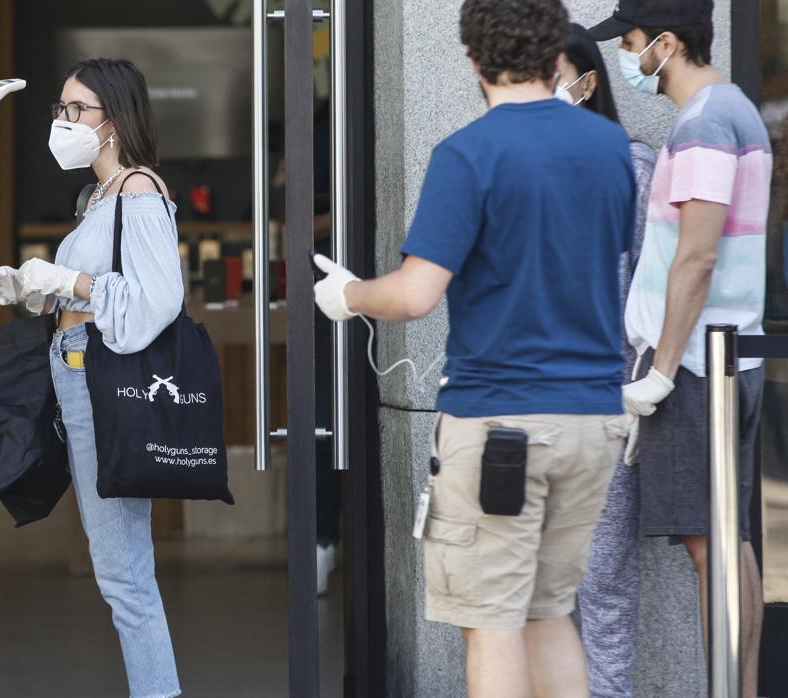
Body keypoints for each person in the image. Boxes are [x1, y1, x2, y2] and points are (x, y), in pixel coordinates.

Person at [313, 0, 637, 695]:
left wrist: (348, 296)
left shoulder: (468, 153)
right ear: (557, 53)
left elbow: (414, 294)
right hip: (593, 419)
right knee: (549, 615)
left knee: (490, 625)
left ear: (470, 59)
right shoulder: (608, 147)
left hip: (501, 425)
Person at [588, 2, 772, 696]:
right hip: (721, 358)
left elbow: (693, 259)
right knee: (728, 542)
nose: (628, 59)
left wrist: (660, 372)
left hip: (695, 365)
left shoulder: (702, 125)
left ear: (665, 44)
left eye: (631, 43)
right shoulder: (736, 111)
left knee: (711, 548)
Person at [0, 58, 183, 698]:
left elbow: (156, 301)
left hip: (102, 382)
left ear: (115, 119)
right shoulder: (98, 195)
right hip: (76, 375)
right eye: (59, 110)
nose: (63, 122)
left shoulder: (138, 191)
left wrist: (65, 281)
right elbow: (94, 297)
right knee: (118, 570)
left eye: (77, 110)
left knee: (125, 574)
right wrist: (37, 293)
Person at [558, 23, 660, 698]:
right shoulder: (513, 164)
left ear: (585, 81)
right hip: (528, 403)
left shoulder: (631, 165)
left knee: (600, 589)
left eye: (549, 76)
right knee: (532, 599)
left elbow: (642, 293)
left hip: (604, 400)